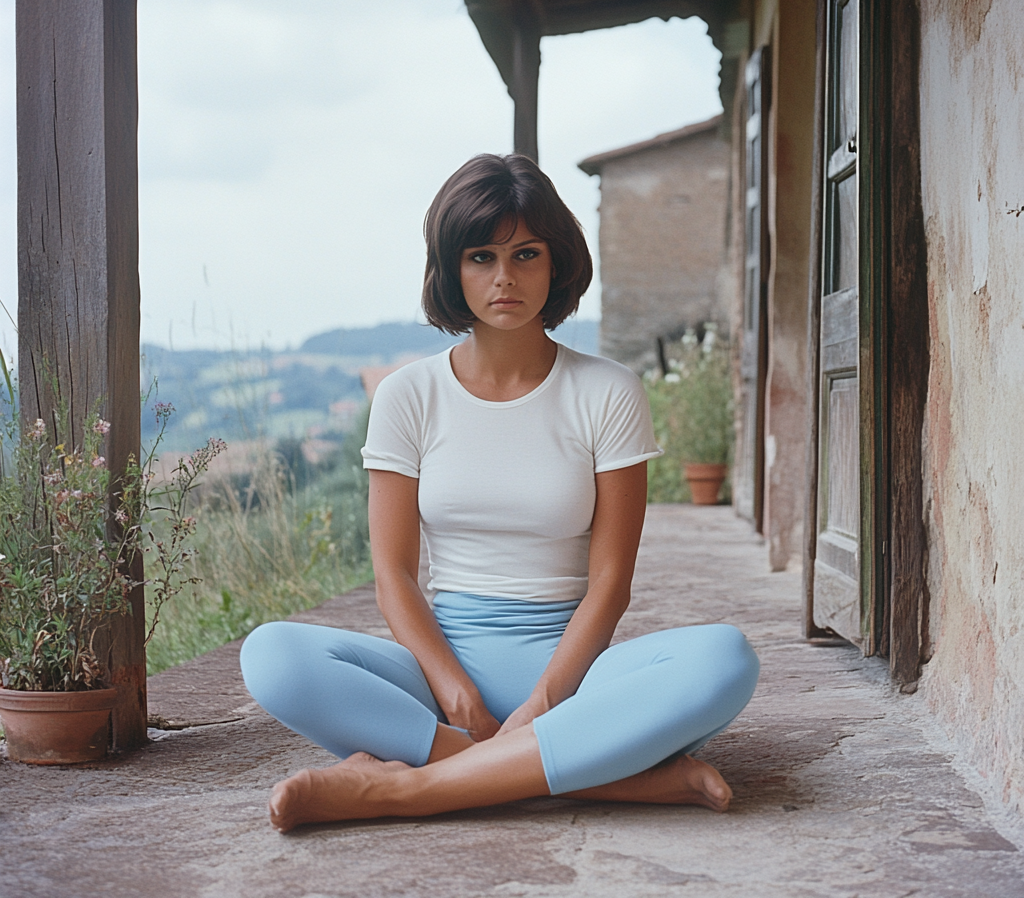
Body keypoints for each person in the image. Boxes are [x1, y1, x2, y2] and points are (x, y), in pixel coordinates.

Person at [240, 153, 759, 833]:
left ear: (556, 261)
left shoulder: (607, 392)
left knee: (724, 659)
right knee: (272, 656)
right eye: (481, 256)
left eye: (526, 254)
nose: (505, 278)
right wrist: (457, 696)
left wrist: (545, 702)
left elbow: (611, 582)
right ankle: (609, 776)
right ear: (452, 269)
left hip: (576, 681)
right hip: (437, 680)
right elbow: (393, 577)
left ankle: (401, 791)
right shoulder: (408, 396)